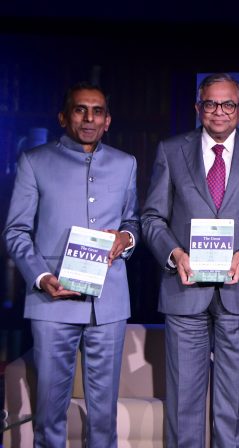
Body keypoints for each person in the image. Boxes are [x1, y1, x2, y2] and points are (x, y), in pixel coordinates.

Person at [140, 72, 239, 447]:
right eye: (211, 103)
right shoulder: (171, 150)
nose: (219, 111)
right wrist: (174, 253)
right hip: (185, 288)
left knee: (235, 402)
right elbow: (152, 217)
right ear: (198, 107)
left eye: (228, 104)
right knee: (183, 401)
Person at [3, 82, 139, 447]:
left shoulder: (126, 164)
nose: (89, 118)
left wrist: (126, 239)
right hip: (53, 299)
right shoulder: (35, 161)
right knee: (50, 411)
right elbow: (16, 231)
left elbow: (132, 221)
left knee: (104, 415)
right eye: (81, 110)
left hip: (109, 301)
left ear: (107, 120)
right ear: (64, 117)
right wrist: (41, 276)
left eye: (97, 111)